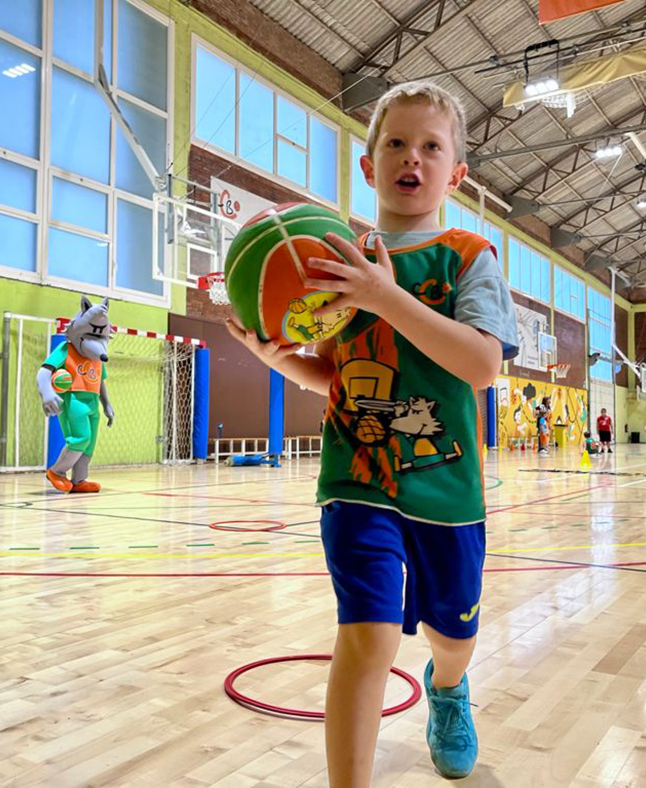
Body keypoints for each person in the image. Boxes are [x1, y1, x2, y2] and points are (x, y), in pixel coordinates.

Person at [226, 81, 519, 784]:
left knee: (454, 636)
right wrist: (278, 358)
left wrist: (386, 296)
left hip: (445, 485)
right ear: (368, 166)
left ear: (456, 174)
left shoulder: (467, 256)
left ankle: (448, 688)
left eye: (430, 146)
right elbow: (341, 374)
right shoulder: (331, 259)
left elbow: (480, 364)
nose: (410, 157)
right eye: (394, 142)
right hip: (355, 479)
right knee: (367, 635)